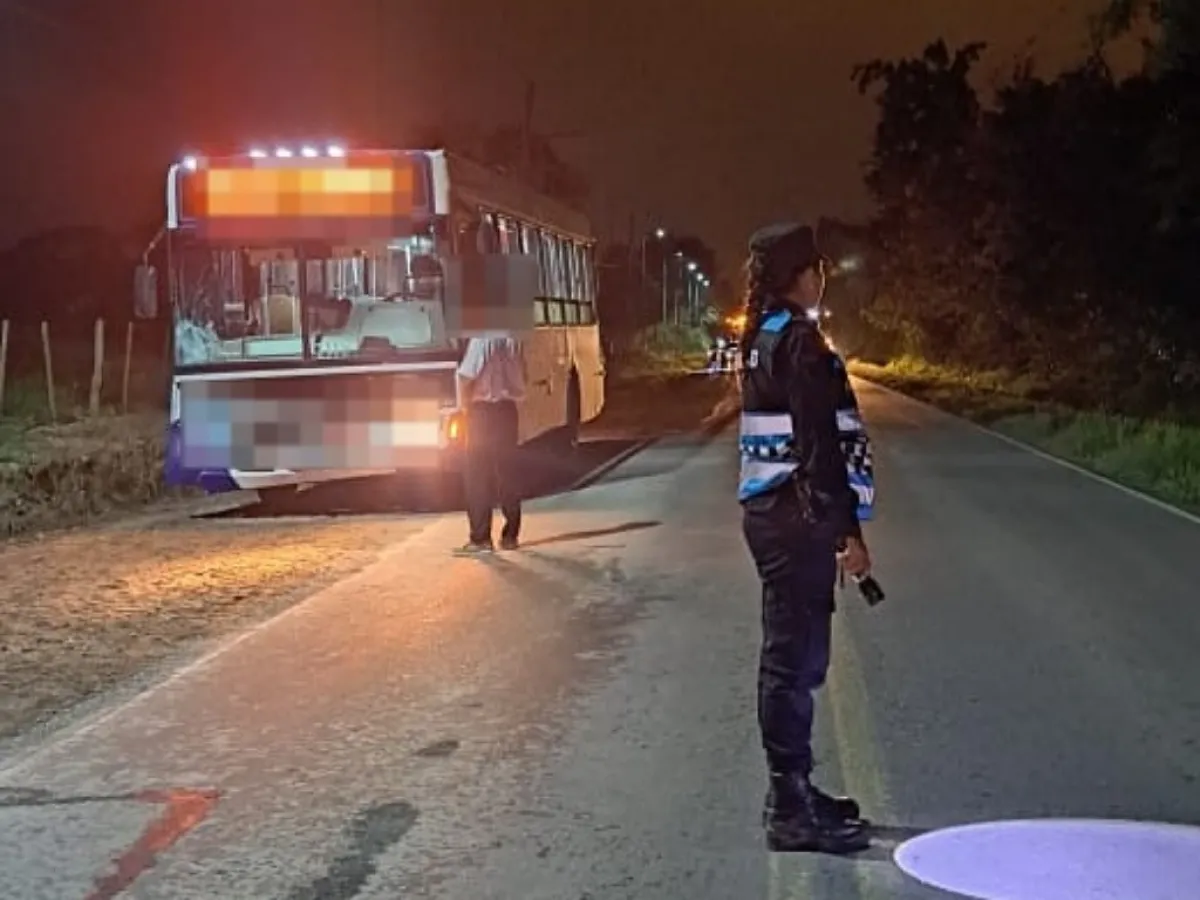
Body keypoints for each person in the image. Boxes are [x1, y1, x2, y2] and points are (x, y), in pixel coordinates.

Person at [737, 222, 875, 854]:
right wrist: (847, 532)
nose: (822, 277)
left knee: (792, 660)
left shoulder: (764, 336)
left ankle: (793, 790)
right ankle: (789, 809)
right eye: (816, 267)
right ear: (800, 273)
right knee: (794, 665)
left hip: (774, 514)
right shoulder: (797, 343)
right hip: (796, 519)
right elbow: (820, 449)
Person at [454, 332, 527, 555]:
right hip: (508, 410)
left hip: (483, 412)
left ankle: (480, 538)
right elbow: (523, 373)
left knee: (477, 475)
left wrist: (463, 405)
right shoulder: (514, 337)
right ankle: (510, 535)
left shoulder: (482, 338)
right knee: (509, 473)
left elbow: (466, 375)